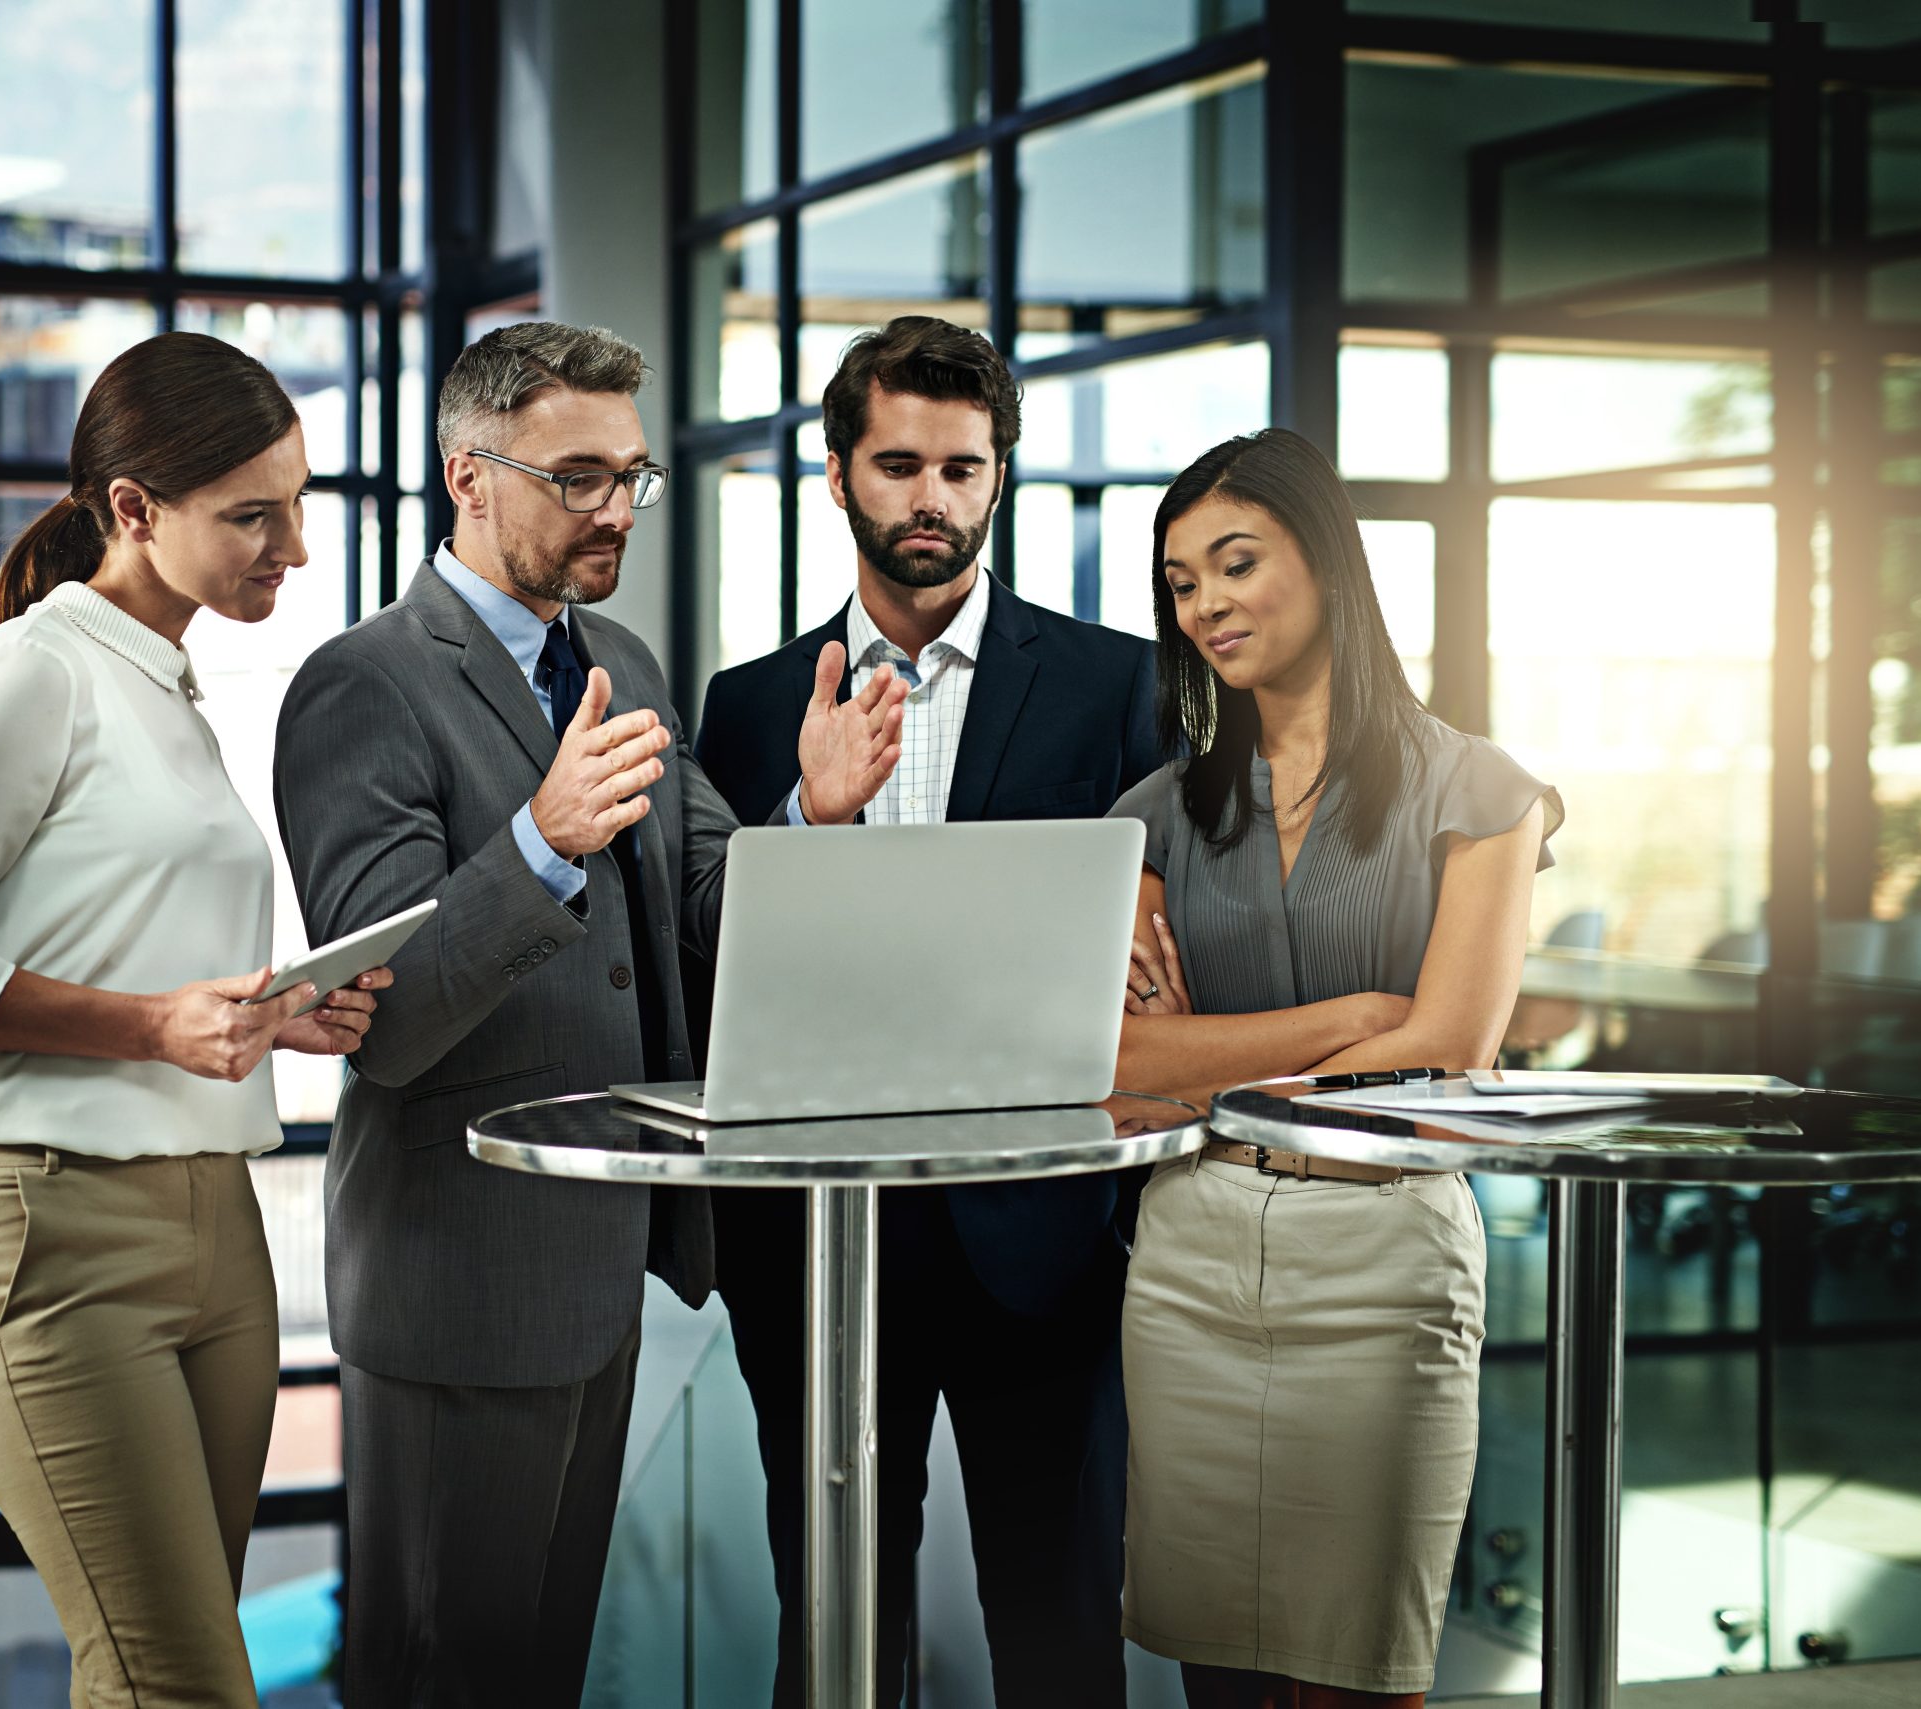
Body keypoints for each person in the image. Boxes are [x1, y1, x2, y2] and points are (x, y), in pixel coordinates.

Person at [270, 320, 909, 1707]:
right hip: (458, 1278)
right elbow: (385, 1021)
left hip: (596, 1273)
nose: (615, 508)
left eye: (631, 476)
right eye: (577, 477)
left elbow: (696, 899)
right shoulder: (363, 685)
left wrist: (812, 817)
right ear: (469, 475)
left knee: (539, 1676)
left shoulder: (619, 655)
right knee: (445, 1673)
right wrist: (543, 843)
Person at [0, 331, 389, 1706]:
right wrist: (146, 1028)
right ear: (133, 509)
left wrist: (272, 1016)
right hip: (51, 1237)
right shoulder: (34, 674)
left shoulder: (171, 683)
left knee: (152, 1679)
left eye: (296, 503)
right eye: (252, 514)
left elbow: (128, 939)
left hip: (216, 1229)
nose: (293, 548)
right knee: (181, 1683)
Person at [695, 314, 1163, 1707]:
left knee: (1061, 1617)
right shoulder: (749, 704)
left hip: (1042, 1238)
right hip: (820, 1240)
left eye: (964, 469)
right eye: (899, 465)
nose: (933, 499)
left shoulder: (1115, 685)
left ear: (999, 481)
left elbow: (1158, 946)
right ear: (838, 477)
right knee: (833, 1623)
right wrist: (806, 817)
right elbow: (719, 964)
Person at [1106, 428, 1562, 1709]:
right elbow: (1118, 1060)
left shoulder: (1481, 789)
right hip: (1190, 1252)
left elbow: (1451, 1049)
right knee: (1218, 1675)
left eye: (1235, 563)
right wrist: (1355, 1016)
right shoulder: (1153, 813)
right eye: (1182, 582)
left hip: (1385, 1256)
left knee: (1364, 1676)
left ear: (1327, 561)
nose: (1206, 605)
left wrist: (1214, 1063)